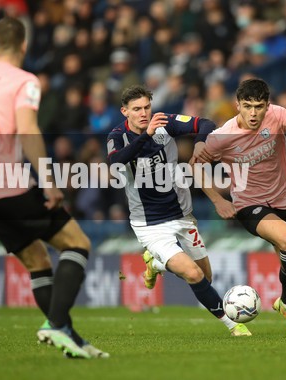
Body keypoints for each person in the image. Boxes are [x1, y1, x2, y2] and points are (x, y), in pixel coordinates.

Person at [0, 17, 107, 359]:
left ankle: (70, 339)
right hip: (10, 187)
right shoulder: (24, 81)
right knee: (77, 244)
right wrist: (49, 184)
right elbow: (28, 131)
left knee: (38, 261)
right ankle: (55, 326)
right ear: (24, 46)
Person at [197, 78, 286, 334]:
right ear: (237, 105)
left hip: (285, 197)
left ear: (267, 105)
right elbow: (195, 165)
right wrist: (218, 200)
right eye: (248, 106)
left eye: (259, 106)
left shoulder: (276, 115)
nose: (253, 113)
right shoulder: (222, 137)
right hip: (248, 203)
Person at [107, 85, 251, 337]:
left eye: (147, 107)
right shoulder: (117, 136)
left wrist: (199, 144)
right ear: (125, 112)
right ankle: (233, 325)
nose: (144, 113)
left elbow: (205, 123)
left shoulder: (165, 123)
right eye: (137, 109)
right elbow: (116, 162)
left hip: (182, 215)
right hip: (150, 225)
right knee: (193, 273)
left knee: (205, 276)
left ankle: (157, 265)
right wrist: (146, 135)